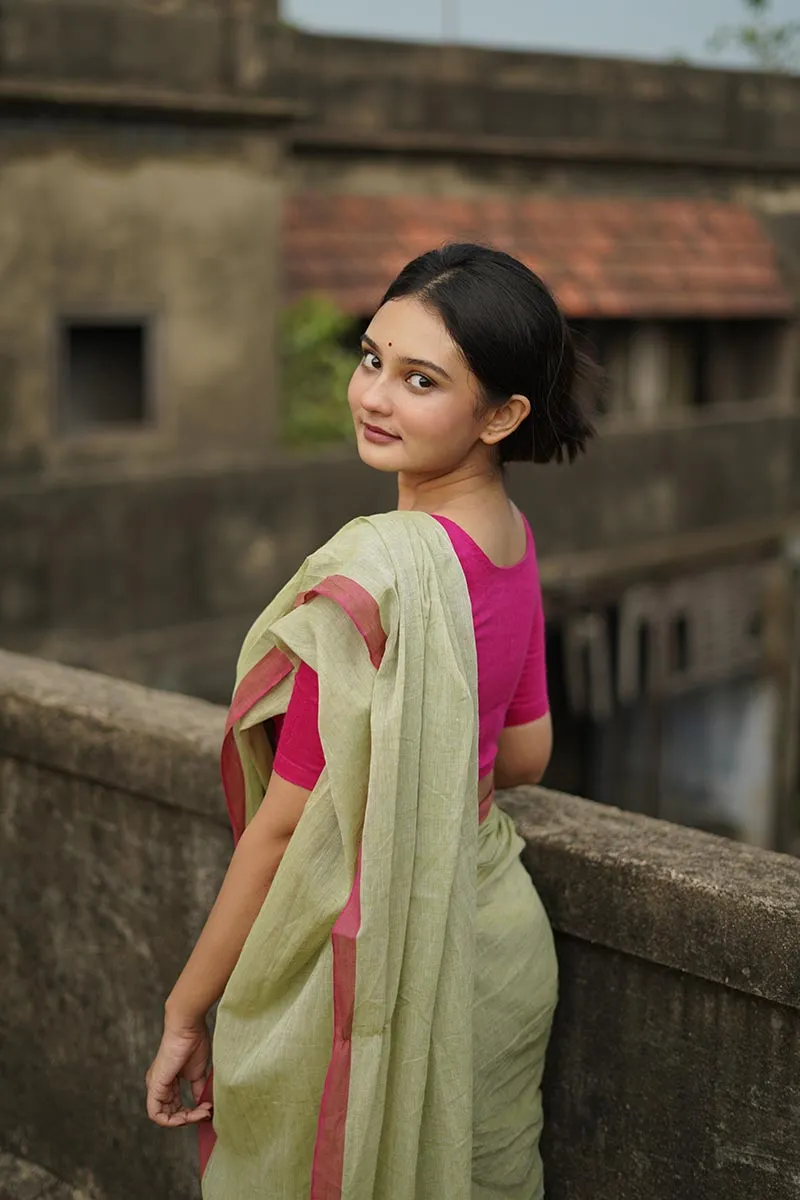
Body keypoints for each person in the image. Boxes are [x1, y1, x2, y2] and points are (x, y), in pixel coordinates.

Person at [145, 243, 595, 1198]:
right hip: (497, 944)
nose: (375, 396)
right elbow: (526, 755)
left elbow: (282, 830)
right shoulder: (510, 539)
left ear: (502, 415)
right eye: (371, 359)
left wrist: (191, 1012)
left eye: (421, 379)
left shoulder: (381, 577)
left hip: (391, 957)